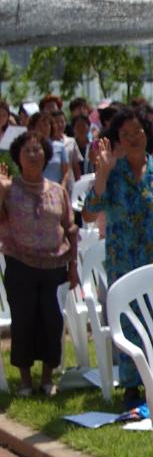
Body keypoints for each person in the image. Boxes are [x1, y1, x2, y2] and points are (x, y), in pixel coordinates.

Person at [84, 107, 153, 407]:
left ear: (147, 134)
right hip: (123, 259)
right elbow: (89, 211)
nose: (133, 138)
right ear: (117, 140)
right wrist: (102, 173)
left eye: (138, 131)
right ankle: (132, 386)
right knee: (128, 321)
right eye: (125, 134)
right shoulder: (113, 172)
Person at [0, 132, 78, 396]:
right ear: (18, 158)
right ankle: (24, 381)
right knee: (23, 321)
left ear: (46, 155)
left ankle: (47, 379)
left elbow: (70, 227)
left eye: (38, 150)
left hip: (55, 265)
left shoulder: (57, 190)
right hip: (20, 264)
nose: (33, 155)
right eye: (27, 151)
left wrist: (74, 267)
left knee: (52, 322)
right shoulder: (9, 189)